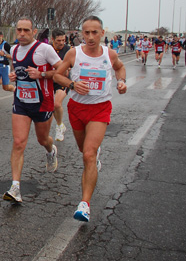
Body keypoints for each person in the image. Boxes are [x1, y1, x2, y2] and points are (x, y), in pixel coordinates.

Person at [54, 16, 127, 222]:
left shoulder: (109, 53)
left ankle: (84, 204)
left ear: (102, 33)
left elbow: (120, 67)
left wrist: (121, 81)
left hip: (100, 109)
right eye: (86, 32)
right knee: (83, 149)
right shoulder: (73, 53)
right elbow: (57, 76)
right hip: (77, 108)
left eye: (95, 32)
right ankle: (94, 155)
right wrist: (72, 85)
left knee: (88, 155)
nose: (91, 37)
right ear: (81, 34)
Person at [3, 17, 62, 204]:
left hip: (43, 103)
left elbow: (62, 71)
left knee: (42, 139)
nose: (21, 33)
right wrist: (14, 76)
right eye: (19, 30)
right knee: (19, 142)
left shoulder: (44, 49)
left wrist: (42, 74)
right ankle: (15, 187)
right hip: (21, 102)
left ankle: (50, 150)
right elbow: (18, 71)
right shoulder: (14, 49)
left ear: (34, 32)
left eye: (26, 30)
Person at [51, 29, 71, 141]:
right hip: (49, 81)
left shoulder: (69, 50)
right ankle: (60, 124)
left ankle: (59, 127)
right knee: (50, 107)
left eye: (63, 40)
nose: (62, 43)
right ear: (53, 39)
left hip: (63, 81)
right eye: (59, 40)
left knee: (56, 104)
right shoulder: (48, 49)